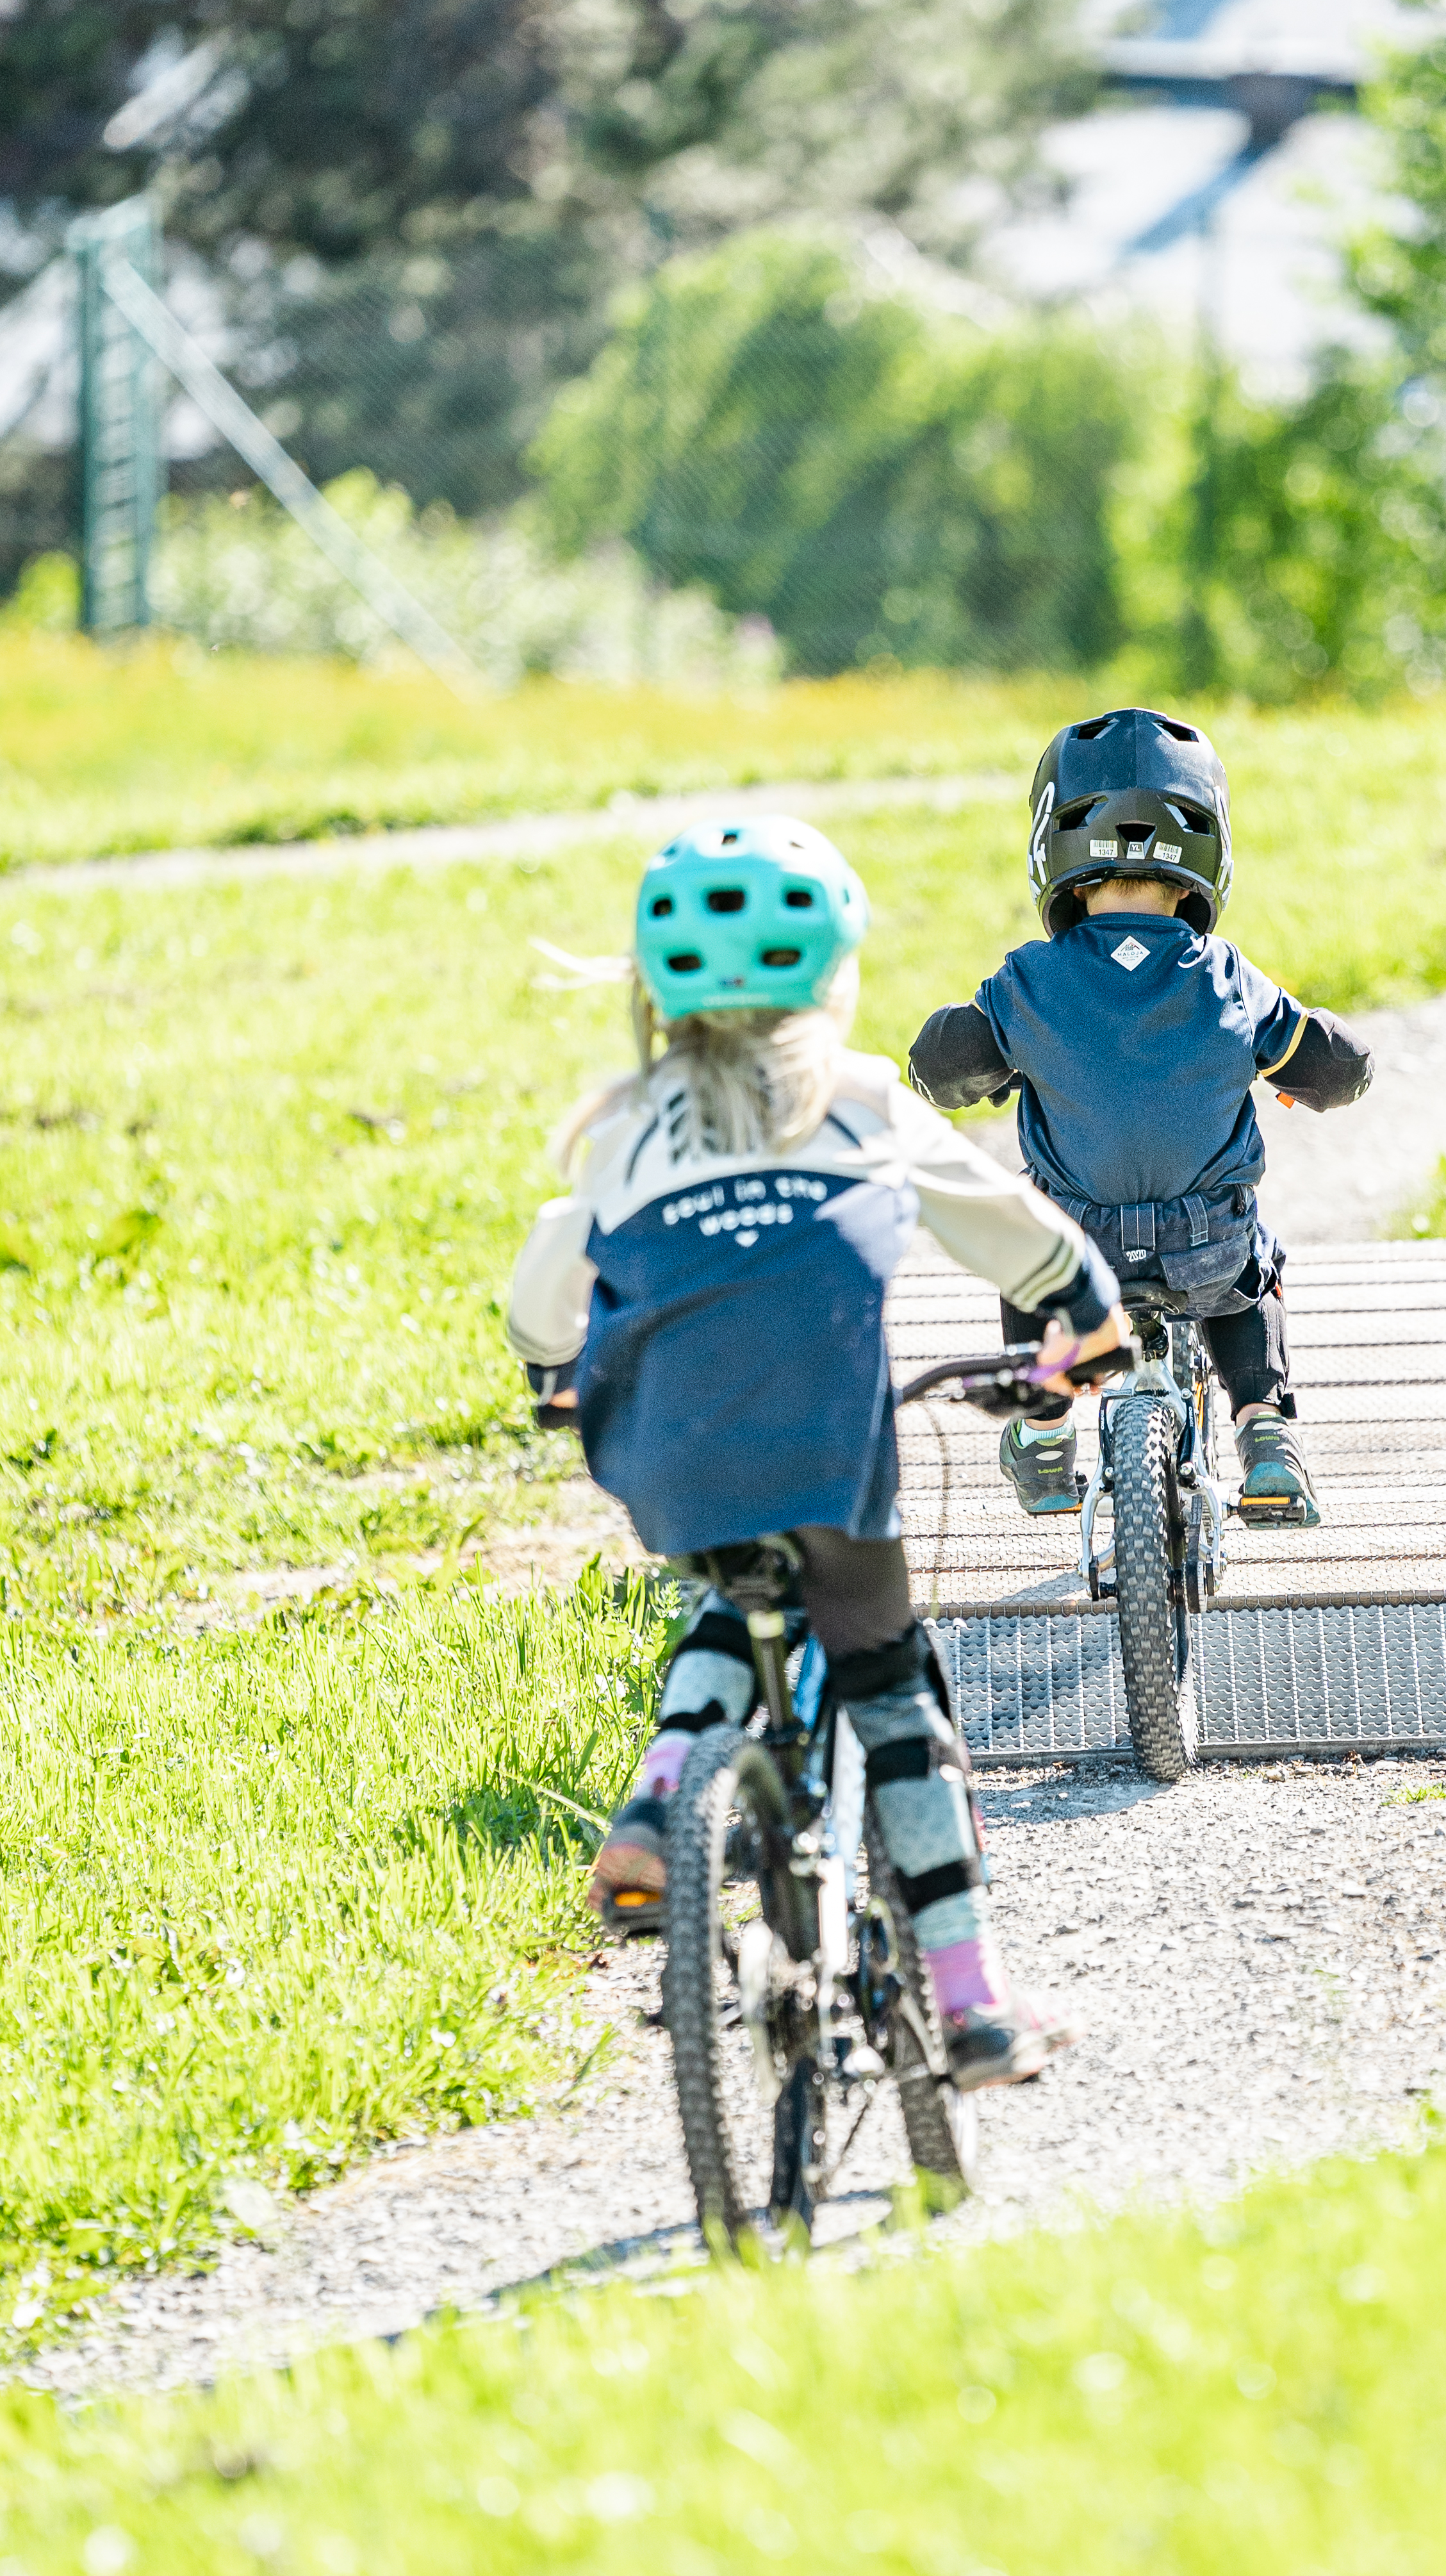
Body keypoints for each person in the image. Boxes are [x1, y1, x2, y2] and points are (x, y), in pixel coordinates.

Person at [505, 813, 1126, 2092]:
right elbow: (1019, 1234)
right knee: (884, 1681)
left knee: (731, 1598)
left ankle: (658, 1801)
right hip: (828, 1437)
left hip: (671, 1444)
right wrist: (1091, 1328)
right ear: (830, 975)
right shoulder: (859, 1102)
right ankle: (970, 2003)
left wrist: (551, 1368)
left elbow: (540, 1295)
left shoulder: (619, 1125)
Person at [907, 707, 1372, 1527]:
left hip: (1072, 1254)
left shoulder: (1030, 982)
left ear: (1054, 849)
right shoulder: (1226, 978)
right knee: (1249, 1276)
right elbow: (1329, 1066)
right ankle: (1265, 1436)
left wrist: (944, 1074)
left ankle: (1046, 1432)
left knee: (1026, 1243)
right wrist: (1337, 1072)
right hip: (1205, 1247)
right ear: (1206, 853)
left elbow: (946, 1063)